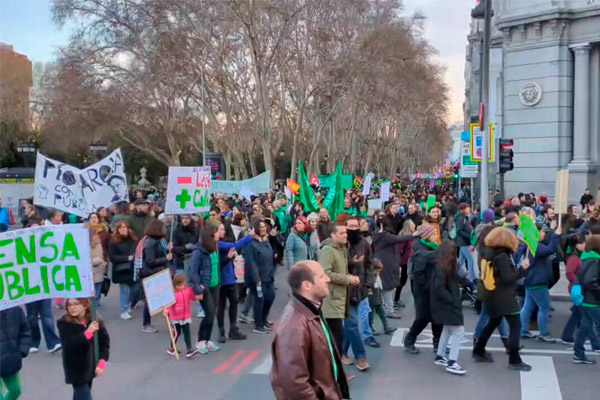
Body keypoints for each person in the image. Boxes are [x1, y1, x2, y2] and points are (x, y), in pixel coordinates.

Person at [270, 261, 350, 400]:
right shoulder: (295, 326)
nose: (328, 279)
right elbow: (294, 383)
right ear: (307, 285)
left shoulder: (311, 309)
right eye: (321, 276)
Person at [472, 227, 532, 371]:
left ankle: (478, 350)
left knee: (493, 322)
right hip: (504, 297)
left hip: (491, 294)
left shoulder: (488, 252)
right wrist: (523, 269)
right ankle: (514, 359)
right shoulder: (502, 257)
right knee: (515, 327)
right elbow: (508, 278)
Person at [57, 298, 110, 400]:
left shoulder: (95, 320)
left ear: (85, 305)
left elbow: (104, 344)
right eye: (70, 305)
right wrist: (87, 333)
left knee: (79, 396)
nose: (72, 307)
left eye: (76, 304)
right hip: (75, 369)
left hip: (90, 367)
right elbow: (69, 345)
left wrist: (102, 362)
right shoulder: (64, 323)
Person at [515, 223, 560, 342]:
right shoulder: (534, 245)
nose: (544, 233)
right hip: (538, 280)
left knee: (527, 307)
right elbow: (550, 250)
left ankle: (523, 330)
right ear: (536, 232)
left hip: (529, 279)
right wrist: (556, 235)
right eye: (542, 231)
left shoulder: (526, 246)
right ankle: (544, 333)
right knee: (544, 307)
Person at [319, 223, 358, 359]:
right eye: (342, 233)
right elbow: (325, 272)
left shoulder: (341, 249)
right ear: (333, 235)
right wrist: (348, 279)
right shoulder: (328, 250)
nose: (346, 235)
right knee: (336, 336)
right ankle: (333, 372)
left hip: (341, 296)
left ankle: (334, 371)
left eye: (346, 233)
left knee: (337, 336)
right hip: (332, 297)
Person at [341, 214, 373, 370]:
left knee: (350, 324)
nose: (353, 229)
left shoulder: (364, 243)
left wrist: (368, 284)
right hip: (343, 290)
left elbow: (369, 264)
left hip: (359, 290)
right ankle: (361, 357)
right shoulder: (341, 243)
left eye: (356, 226)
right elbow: (335, 267)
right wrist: (352, 262)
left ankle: (341, 351)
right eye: (350, 226)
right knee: (352, 324)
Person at [403, 224, 442, 354]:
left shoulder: (435, 248)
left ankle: (437, 343)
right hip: (423, 289)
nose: (437, 236)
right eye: (434, 234)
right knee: (423, 317)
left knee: (437, 316)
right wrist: (425, 287)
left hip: (435, 286)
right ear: (427, 236)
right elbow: (417, 273)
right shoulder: (420, 248)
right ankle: (409, 340)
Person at [431, 240, 468, 375]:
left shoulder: (442, 265)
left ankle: (440, 355)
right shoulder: (442, 267)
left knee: (447, 329)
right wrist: (452, 300)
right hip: (448, 304)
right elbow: (439, 288)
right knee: (458, 331)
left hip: (443, 305)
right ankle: (452, 362)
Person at [561, 233, 600, 348]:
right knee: (583, 318)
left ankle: (585, 347)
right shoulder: (579, 258)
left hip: (581, 291)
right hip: (582, 292)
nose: (583, 245)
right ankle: (568, 337)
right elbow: (572, 274)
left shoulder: (584, 257)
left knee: (584, 321)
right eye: (581, 243)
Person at [372, 215, 414, 320]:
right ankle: (388, 310)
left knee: (385, 288)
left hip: (384, 263)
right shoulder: (385, 235)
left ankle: (386, 309)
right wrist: (414, 235)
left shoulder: (379, 234)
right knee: (387, 288)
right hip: (386, 264)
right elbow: (399, 239)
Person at [216, 225, 254, 343]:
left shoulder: (223, 242)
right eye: (220, 230)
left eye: (223, 229)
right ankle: (221, 332)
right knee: (221, 306)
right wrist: (249, 237)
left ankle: (233, 329)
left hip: (230, 278)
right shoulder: (217, 245)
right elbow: (234, 246)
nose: (222, 231)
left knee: (234, 303)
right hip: (221, 280)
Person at [189, 225, 222, 352]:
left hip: (215, 284)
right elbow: (193, 271)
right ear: (210, 235)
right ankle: (200, 340)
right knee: (209, 313)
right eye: (217, 232)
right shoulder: (199, 251)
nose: (219, 234)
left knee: (212, 314)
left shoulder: (216, 248)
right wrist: (198, 287)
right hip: (205, 287)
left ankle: (207, 340)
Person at [244, 219, 277, 334]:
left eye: (264, 226)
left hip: (268, 276)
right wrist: (256, 279)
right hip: (258, 278)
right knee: (259, 301)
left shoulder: (266, 241)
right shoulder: (251, 244)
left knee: (270, 297)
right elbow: (251, 263)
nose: (263, 229)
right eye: (260, 227)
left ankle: (264, 319)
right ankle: (258, 325)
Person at [140, 219, 173, 333]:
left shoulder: (160, 240)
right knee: (150, 300)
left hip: (160, 272)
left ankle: (171, 320)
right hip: (152, 273)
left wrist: (168, 248)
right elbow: (150, 261)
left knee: (165, 297)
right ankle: (146, 323)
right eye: (163, 227)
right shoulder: (151, 242)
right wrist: (165, 258)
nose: (165, 229)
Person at [573, 234, 600, 364]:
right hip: (592, 300)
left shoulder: (585, 258)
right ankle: (578, 354)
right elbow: (590, 280)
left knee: (585, 326)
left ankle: (578, 354)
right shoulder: (595, 260)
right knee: (588, 325)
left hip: (584, 298)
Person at [164, 274, 201, 358]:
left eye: (183, 285)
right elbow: (169, 304)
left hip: (185, 315)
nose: (182, 287)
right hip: (176, 317)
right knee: (177, 333)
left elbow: (193, 297)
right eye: (180, 285)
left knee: (187, 332)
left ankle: (189, 349)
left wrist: (198, 296)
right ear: (175, 286)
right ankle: (171, 347)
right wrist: (167, 310)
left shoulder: (188, 290)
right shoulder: (173, 294)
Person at [0, 306, 31, 400]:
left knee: (15, 390)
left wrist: (21, 351)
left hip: (10, 359)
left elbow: (25, 331)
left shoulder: (16, 310)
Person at [109, 221, 137, 320]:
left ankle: (128, 304)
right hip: (121, 270)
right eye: (120, 228)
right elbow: (112, 257)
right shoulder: (114, 242)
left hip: (132, 268)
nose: (123, 229)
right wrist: (126, 258)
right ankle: (123, 310)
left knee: (134, 289)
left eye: (124, 227)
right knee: (124, 291)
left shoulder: (133, 239)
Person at [368, 259, 396, 335]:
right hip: (371, 297)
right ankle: (370, 328)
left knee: (382, 313)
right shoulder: (370, 276)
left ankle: (386, 327)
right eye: (377, 270)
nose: (378, 272)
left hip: (378, 297)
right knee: (371, 314)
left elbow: (379, 286)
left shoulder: (377, 275)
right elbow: (370, 284)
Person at [395, 219, 416, 309]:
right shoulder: (404, 237)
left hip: (409, 260)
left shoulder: (411, 236)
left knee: (407, 280)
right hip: (404, 262)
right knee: (402, 281)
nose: (414, 226)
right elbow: (400, 250)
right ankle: (396, 299)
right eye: (413, 225)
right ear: (409, 226)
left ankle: (397, 299)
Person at [456, 203, 476, 284]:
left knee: (461, 259)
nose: (469, 210)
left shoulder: (464, 218)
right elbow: (459, 230)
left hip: (464, 242)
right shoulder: (461, 218)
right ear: (463, 209)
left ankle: (455, 272)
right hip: (464, 242)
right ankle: (472, 277)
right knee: (471, 260)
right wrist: (469, 236)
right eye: (467, 208)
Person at [90, 231, 107, 307]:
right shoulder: (87, 246)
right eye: (94, 235)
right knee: (93, 290)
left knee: (98, 288)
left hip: (100, 270)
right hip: (92, 270)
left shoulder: (99, 244)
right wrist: (97, 260)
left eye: (97, 234)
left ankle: (97, 301)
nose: (96, 236)